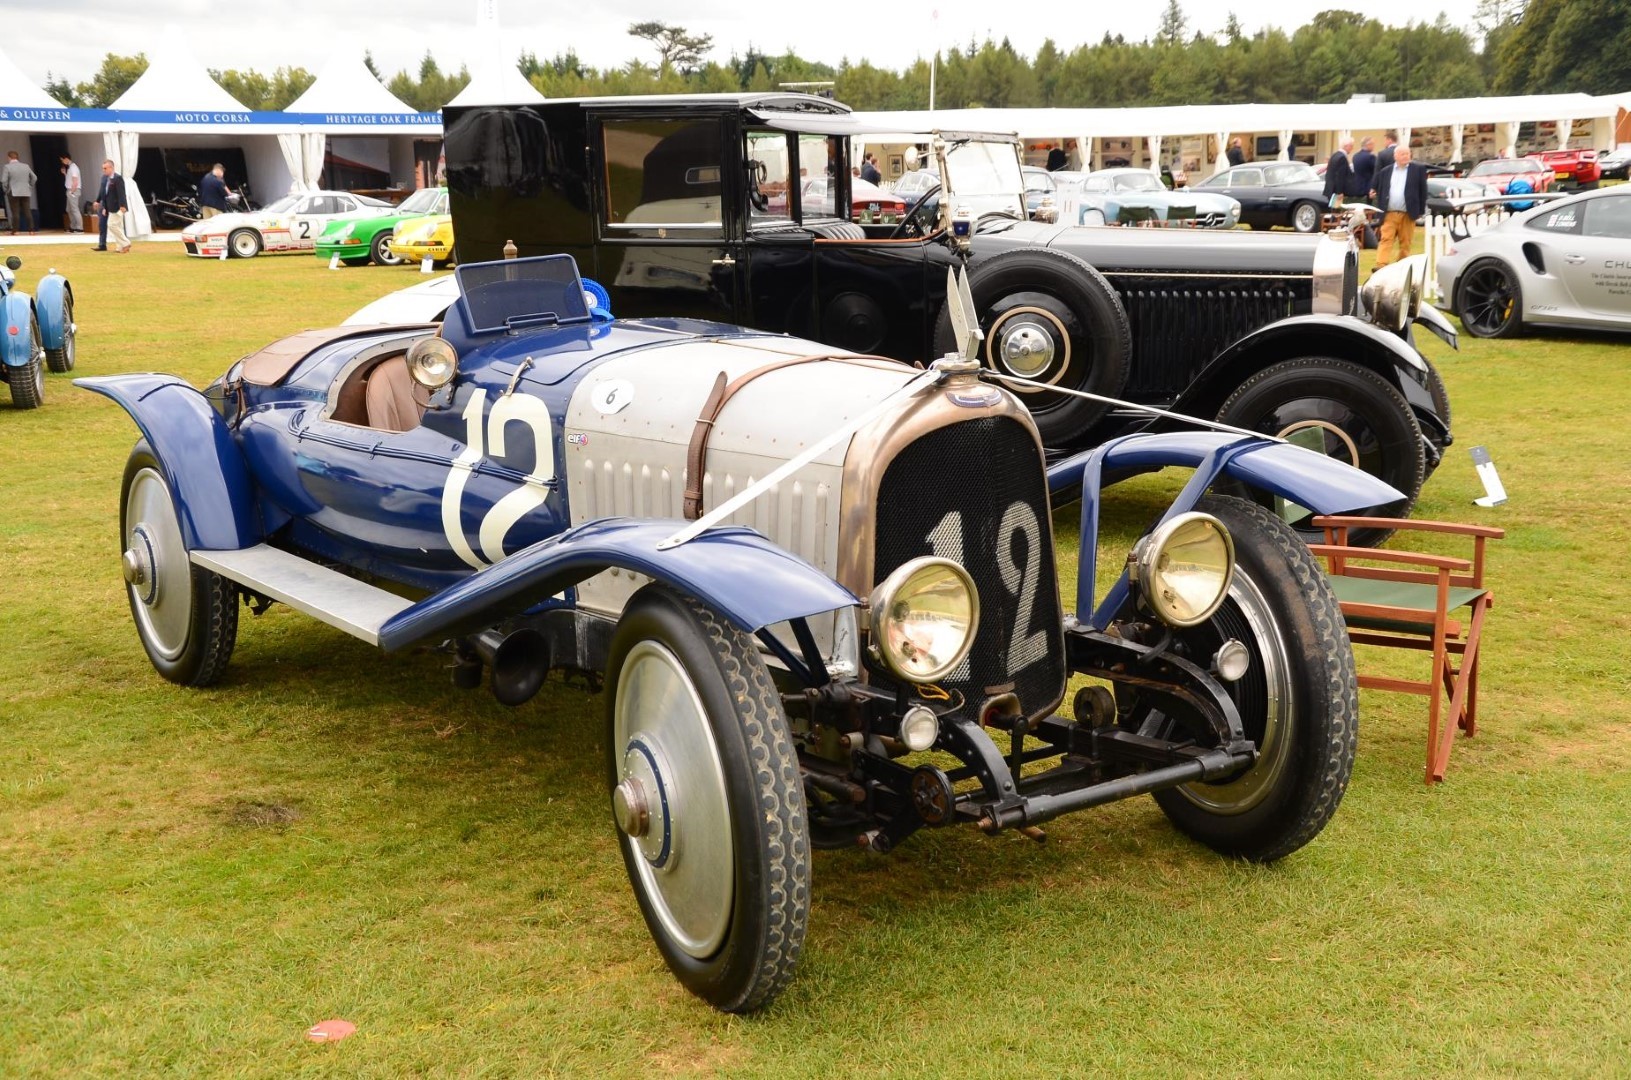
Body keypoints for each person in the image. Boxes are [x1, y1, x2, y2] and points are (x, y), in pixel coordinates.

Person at [1371, 144, 1427, 269]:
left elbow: (1423, 191)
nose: (1406, 156)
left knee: (1405, 242)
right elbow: (1381, 190)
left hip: (1408, 213)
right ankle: (1380, 265)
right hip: (1389, 212)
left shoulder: (1418, 170)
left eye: (1407, 154)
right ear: (1395, 156)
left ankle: (1402, 265)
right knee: (1386, 238)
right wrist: (1374, 192)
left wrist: (1421, 210)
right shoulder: (1386, 171)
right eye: (1402, 154)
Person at [94, 158, 130, 253]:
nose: (103, 170)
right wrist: (101, 203)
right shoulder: (105, 178)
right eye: (103, 168)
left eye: (105, 168)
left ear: (111, 168)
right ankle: (120, 247)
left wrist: (122, 206)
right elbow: (103, 192)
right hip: (109, 206)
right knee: (118, 226)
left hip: (117, 207)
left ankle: (125, 243)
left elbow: (121, 193)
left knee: (111, 225)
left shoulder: (117, 178)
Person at [2, 150, 37, 235]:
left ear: (9, 158)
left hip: (13, 191)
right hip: (25, 191)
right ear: (17, 157)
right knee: (27, 211)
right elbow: (34, 177)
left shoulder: (7, 167)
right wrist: (29, 185)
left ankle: (15, 230)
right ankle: (31, 230)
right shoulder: (26, 166)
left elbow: (3, 181)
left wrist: (6, 190)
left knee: (15, 212)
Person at [1323, 137, 1353, 208]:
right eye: (1351, 146)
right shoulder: (1342, 158)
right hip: (1336, 191)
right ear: (1346, 146)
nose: (1352, 148)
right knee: (1337, 211)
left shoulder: (1334, 155)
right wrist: (1339, 192)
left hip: (1330, 189)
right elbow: (1340, 176)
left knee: (1333, 210)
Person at [1350, 136, 1377, 203]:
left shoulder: (1355, 156)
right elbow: (1376, 171)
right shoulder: (1371, 157)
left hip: (1357, 186)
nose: (1374, 146)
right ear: (1368, 145)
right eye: (1373, 144)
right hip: (1368, 188)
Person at [60, 153, 82, 233]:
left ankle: (79, 227)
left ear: (66, 159)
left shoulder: (73, 168)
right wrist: (65, 174)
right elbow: (70, 180)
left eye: (62, 160)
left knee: (74, 209)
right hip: (70, 190)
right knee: (69, 209)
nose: (62, 162)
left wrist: (71, 192)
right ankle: (73, 226)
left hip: (73, 190)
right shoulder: (70, 168)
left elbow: (75, 182)